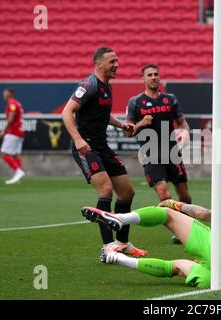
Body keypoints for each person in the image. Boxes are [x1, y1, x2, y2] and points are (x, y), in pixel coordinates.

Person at [81, 188, 221, 288]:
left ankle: (120, 218)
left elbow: (205, 214)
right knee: (177, 267)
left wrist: (177, 204)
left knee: (168, 213)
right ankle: (118, 258)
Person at [62, 46, 147, 258]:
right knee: (106, 190)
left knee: (127, 192)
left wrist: (122, 125)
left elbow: (104, 115)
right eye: (112, 61)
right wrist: (78, 139)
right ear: (99, 64)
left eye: (117, 60)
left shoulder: (107, 87)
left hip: (102, 145)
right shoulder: (88, 85)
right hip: (86, 146)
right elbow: (67, 112)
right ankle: (107, 246)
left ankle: (123, 242)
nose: (117, 64)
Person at [126, 64, 192, 244]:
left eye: (156, 74)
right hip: (150, 153)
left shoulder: (170, 100)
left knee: (184, 196)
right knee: (163, 192)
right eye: (150, 75)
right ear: (144, 78)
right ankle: (179, 230)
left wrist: (185, 132)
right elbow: (128, 132)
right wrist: (140, 124)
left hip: (172, 151)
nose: (154, 77)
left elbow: (183, 123)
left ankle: (186, 225)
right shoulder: (135, 102)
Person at [0, 88, 26, 185]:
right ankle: (17, 176)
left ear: (9, 94)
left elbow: (11, 118)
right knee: (16, 155)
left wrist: (4, 130)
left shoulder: (12, 104)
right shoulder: (17, 103)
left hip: (13, 132)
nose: (3, 94)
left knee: (4, 153)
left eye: (5, 93)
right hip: (20, 132)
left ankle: (18, 171)